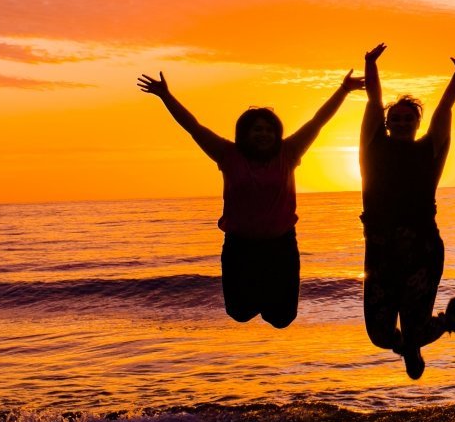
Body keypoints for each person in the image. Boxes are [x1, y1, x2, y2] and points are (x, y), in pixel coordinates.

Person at [136, 67, 361, 327]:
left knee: (282, 318)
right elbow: (193, 127)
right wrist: (166, 96)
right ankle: (259, 291)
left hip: (281, 246)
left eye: (268, 129)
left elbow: (317, 122)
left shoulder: (288, 153)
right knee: (239, 313)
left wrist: (343, 90)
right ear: (244, 133)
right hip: (240, 246)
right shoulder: (227, 154)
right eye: (256, 129)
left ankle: (268, 296)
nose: (263, 134)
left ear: (276, 133)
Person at [359, 43, 455, 380]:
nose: (400, 122)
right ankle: (411, 345)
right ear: (387, 122)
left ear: (416, 122)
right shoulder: (372, 148)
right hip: (380, 251)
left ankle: (441, 325)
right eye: (394, 118)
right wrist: (370, 64)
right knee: (380, 334)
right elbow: (372, 103)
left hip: (421, 249)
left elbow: (444, 110)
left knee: (415, 327)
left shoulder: (429, 149)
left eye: (407, 118)